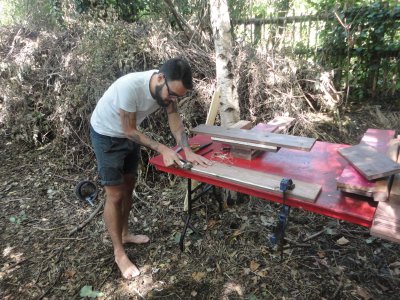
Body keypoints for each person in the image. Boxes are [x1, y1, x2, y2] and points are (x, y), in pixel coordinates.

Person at [89, 57, 212, 279]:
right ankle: (119, 252)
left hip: (130, 136)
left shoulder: (167, 92)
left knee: (129, 185)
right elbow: (128, 129)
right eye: (172, 94)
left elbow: (175, 122)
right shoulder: (130, 86)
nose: (172, 100)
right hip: (107, 135)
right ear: (160, 78)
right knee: (115, 194)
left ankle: (125, 233)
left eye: (178, 97)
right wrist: (162, 148)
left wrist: (187, 150)